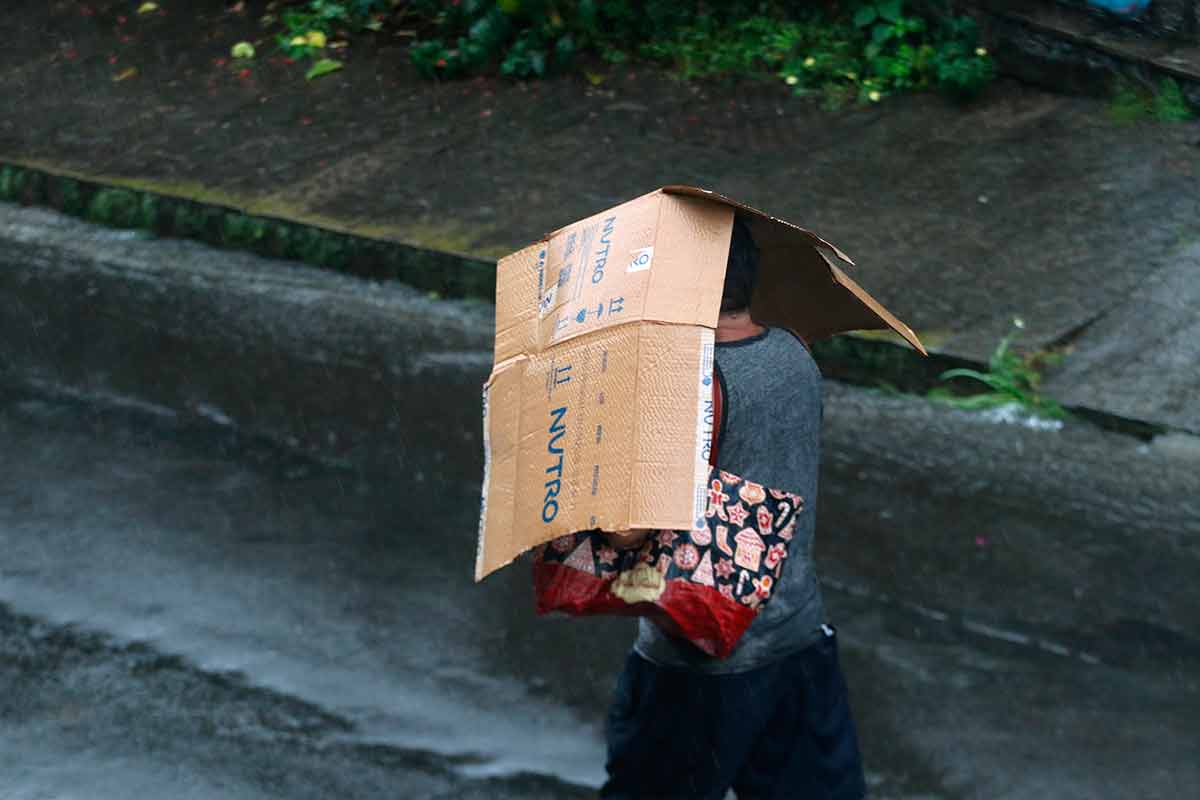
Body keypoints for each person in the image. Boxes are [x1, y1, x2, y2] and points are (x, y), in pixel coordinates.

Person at [600, 217, 867, 800]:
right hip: (797, 635)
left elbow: (625, 534)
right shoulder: (794, 354)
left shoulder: (686, 384)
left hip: (700, 659)